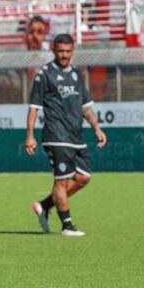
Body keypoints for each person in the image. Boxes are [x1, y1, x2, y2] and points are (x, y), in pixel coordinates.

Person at [24, 34, 107, 237]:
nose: (64, 55)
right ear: (53, 50)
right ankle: (67, 225)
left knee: (83, 177)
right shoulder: (44, 74)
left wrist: (97, 128)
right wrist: (30, 135)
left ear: (73, 51)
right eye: (60, 51)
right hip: (55, 135)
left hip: (76, 136)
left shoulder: (77, 75)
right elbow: (34, 108)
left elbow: (86, 107)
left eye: (68, 52)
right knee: (61, 181)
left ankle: (44, 205)